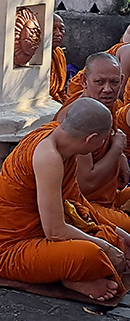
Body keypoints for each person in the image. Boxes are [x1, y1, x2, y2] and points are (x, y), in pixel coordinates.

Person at [0, 98, 130, 302]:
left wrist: (119, 233)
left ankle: (70, 272)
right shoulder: (48, 157)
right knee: (93, 254)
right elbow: (55, 231)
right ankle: (71, 276)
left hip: (42, 235)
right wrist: (109, 249)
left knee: (113, 240)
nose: (103, 145)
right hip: (8, 248)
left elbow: (76, 203)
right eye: (103, 140)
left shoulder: (61, 140)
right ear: (91, 139)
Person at [56, 53, 130, 231]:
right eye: (99, 82)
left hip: (109, 195)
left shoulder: (105, 105)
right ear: (84, 81)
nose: (107, 89)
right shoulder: (80, 117)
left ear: (122, 80)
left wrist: (119, 156)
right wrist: (117, 148)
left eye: (114, 82)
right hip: (81, 204)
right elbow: (85, 184)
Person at [50, 15, 68, 104]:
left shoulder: (59, 54)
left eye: (61, 29)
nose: (58, 33)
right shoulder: (35, 57)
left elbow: (61, 90)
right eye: (53, 29)